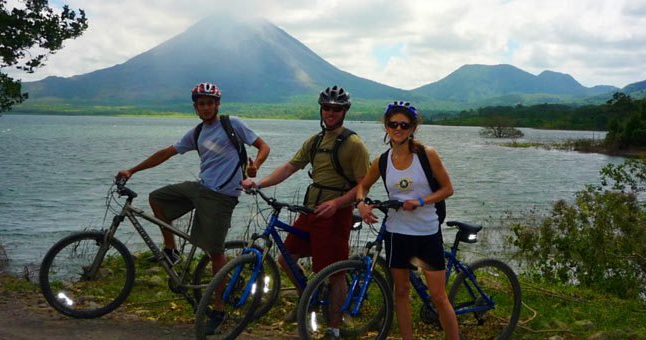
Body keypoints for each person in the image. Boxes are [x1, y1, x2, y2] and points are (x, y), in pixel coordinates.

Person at [116, 82, 270, 333]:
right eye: (202, 103)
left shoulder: (233, 125)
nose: (206, 107)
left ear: (217, 105)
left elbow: (263, 147)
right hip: (200, 189)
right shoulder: (198, 132)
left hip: (222, 197)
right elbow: (166, 152)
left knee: (215, 253)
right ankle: (171, 249)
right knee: (157, 198)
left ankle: (219, 310)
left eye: (210, 103)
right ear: (196, 107)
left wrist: (256, 167)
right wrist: (132, 170)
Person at [242, 85, 370, 339]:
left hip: (335, 214)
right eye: (326, 108)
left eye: (336, 109)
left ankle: (334, 327)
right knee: (286, 258)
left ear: (344, 111)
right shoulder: (315, 141)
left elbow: (363, 185)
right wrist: (258, 182)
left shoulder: (354, 144)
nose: (330, 113)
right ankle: (308, 299)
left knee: (333, 272)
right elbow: (290, 167)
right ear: (321, 110)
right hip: (311, 210)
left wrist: (336, 203)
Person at [355, 101, 459, 340]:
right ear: (386, 126)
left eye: (404, 124)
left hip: (426, 233)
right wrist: (361, 202)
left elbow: (447, 189)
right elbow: (363, 185)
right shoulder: (382, 160)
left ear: (413, 128)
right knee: (400, 292)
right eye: (393, 124)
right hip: (396, 232)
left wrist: (421, 202)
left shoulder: (426, 155)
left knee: (439, 297)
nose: (398, 129)